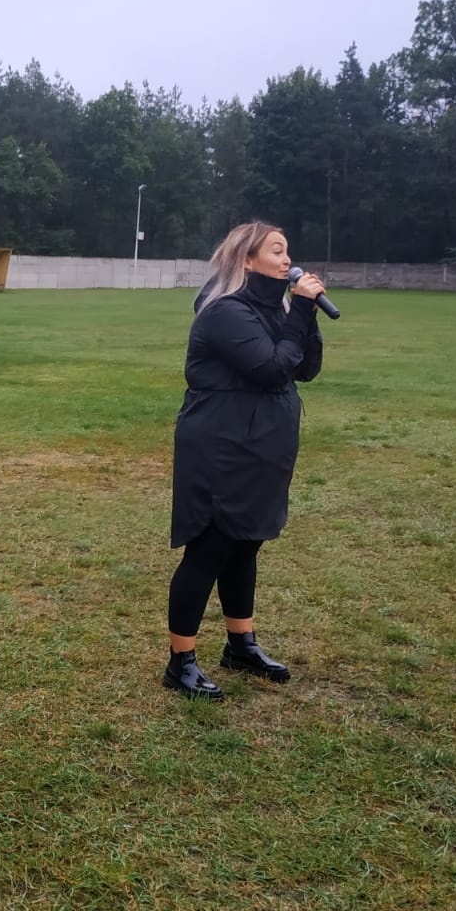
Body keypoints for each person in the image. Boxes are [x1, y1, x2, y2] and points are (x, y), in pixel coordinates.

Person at [164, 221, 326, 700]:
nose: (287, 259)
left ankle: (240, 644)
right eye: (277, 250)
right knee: (211, 547)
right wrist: (297, 308)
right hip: (222, 445)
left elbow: (306, 368)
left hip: (264, 446)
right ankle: (181, 661)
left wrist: (306, 313)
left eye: (288, 250)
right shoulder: (224, 312)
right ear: (247, 260)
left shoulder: (272, 310)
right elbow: (270, 367)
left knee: (245, 543)